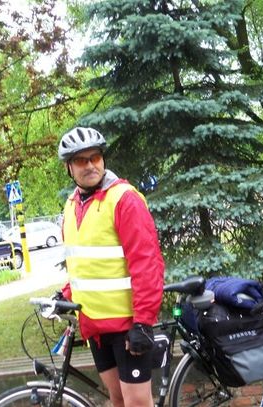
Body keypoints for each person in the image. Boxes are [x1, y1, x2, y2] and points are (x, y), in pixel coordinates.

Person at [57, 127, 165, 407]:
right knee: (117, 398)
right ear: (69, 168)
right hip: (95, 326)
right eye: (81, 160)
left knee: (137, 402)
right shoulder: (72, 205)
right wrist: (65, 294)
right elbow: (83, 263)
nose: (90, 165)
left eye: (95, 157)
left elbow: (147, 264)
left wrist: (143, 322)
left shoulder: (124, 199)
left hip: (127, 325)